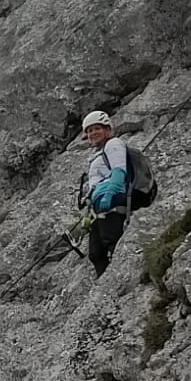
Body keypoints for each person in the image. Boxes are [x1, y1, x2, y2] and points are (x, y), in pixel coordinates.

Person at [80, 110, 130, 276]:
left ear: (107, 129)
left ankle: (119, 277)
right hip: (99, 204)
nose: (92, 133)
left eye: (97, 128)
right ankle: (105, 284)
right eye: (89, 131)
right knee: (96, 253)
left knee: (111, 241)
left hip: (112, 199)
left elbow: (119, 171)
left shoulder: (113, 144)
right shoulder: (98, 154)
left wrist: (110, 193)